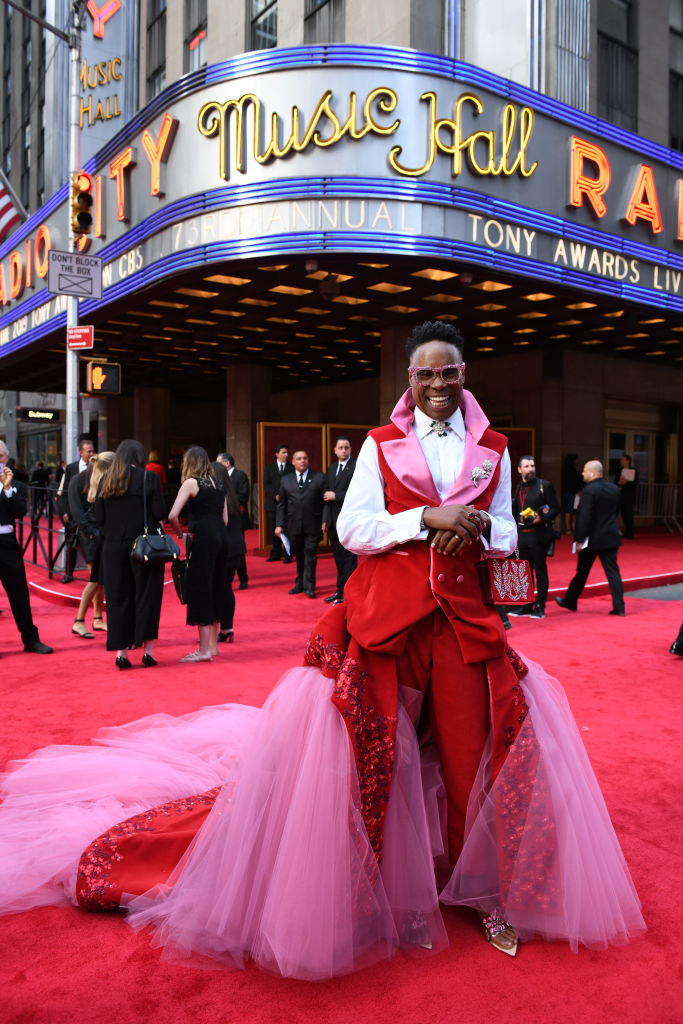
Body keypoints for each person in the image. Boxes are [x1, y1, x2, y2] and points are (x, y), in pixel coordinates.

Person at [0, 323, 645, 980]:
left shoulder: (496, 449)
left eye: (448, 372)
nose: (437, 385)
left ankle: (480, 892)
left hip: (464, 623)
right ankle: (395, 893)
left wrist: (478, 529)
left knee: (472, 758)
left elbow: (507, 527)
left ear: (462, 374)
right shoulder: (380, 444)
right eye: (424, 374)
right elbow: (353, 529)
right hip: (384, 622)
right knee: (374, 760)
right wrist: (425, 519)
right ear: (409, 381)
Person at [94, 439, 166, 669]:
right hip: (145, 546)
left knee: (117, 597)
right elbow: (159, 512)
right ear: (139, 457)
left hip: (113, 546)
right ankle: (148, 651)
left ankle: (121, 652)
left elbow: (99, 517)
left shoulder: (107, 479)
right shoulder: (149, 478)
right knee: (147, 596)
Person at [168, 447, 228, 663]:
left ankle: (203, 651)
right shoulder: (218, 483)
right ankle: (213, 647)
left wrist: (180, 534)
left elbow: (173, 514)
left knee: (201, 588)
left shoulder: (191, 483)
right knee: (216, 586)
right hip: (222, 536)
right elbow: (225, 519)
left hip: (202, 537)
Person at [0, 440, 52, 654]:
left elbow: (20, 512)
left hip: (7, 545)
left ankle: (30, 640)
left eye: (1, 456)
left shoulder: (17, 486)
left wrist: (8, 488)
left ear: (7, 458)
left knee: (19, 594)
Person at [555, 460, 626, 616]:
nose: (582, 473)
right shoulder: (614, 489)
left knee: (582, 572)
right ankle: (619, 607)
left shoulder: (589, 491)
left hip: (592, 540)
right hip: (610, 537)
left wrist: (579, 539)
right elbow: (616, 512)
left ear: (593, 473)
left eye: (585, 471)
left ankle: (570, 602)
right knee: (613, 573)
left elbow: (584, 517)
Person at [68, 451, 115, 638]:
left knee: (99, 580)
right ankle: (79, 621)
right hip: (89, 537)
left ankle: (96, 619)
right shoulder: (78, 481)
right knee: (95, 579)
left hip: (100, 535)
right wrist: (92, 533)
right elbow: (77, 513)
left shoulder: (102, 480)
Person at [510, 455, 560, 619]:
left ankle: (540, 606)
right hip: (522, 537)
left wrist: (542, 518)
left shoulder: (544, 485)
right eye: (527, 466)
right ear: (519, 470)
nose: (530, 469)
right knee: (524, 573)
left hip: (539, 537)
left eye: (532, 466)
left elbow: (555, 508)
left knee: (540, 572)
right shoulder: (519, 487)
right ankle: (526, 606)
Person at [275, 450, 325, 598]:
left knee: (310, 554)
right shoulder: (286, 480)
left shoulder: (319, 477)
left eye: (305, 458)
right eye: (299, 458)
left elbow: (324, 502)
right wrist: (279, 524)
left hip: (313, 524)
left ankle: (309, 586)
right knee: (299, 555)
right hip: (294, 525)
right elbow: (281, 505)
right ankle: (299, 583)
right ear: (293, 462)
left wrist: (325, 520)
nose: (302, 461)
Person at [212, 460, 246, 644]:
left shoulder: (216, 496)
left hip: (223, 547)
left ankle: (219, 630)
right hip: (236, 546)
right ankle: (227, 628)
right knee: (227, 588)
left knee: (220, 589)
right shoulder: (232, 495)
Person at [322, 435, 357, 604]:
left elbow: (359, 493)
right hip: (334, 521)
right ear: (334, 450)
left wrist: (337, 496)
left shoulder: (357, 467)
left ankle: (349, 593)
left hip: (350, 519)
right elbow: (326, 498)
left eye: (347, 447)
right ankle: (340, 590)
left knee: (349, 558)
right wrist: (325, 520)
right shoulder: (331, 468)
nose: (344, 450)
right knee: (338, 558)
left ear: (351, 449)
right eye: (340, 448)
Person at [57, 434, 96, 584]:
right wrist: (65, 511)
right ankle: (69, 573)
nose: (91, 454)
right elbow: (65, 490)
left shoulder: (96, 467)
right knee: (71, 544)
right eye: (89, 451)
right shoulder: (72, 467)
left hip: (90, 512)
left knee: (90, 545)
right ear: (81, 452)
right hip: (73, 513)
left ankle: (94, 575)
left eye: (93, 451)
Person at [217, 453, 249, 589]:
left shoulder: (240, 475)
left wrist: (226, 500)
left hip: (237, 517)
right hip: (222, 519)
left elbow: (244, 495)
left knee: (238, 549)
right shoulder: (217, 477)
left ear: (227, 463)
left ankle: (243, 578)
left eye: (219, 462)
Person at [262, 444, 294, 562]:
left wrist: (283, 495)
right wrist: (275, 494)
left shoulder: (291, 467)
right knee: (274, 529)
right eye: (283, 452)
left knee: (287, 529)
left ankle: (288, 554)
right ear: (277, 454)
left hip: (288, 504)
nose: (286, 455)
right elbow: (266, 484)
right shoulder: (269, 468)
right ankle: (276, 553)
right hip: (272, 503)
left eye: (287, 453)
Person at [614, 453, 638, 539]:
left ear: (628, 461)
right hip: (621, 494)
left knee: (629, 514)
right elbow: (615, 481)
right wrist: (619, 483)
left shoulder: (633, 470)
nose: (622, 461)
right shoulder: (619, 470)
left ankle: (630, 532)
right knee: (623, 513)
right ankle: (626, 531)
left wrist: (626, 483)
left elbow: (635, 483)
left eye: (623, 459)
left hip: (629, 494)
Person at [561, 453, 581, 535]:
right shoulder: (569, 470)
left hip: (572, 492)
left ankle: (572, 528)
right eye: (576, 459)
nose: (577, 461)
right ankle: (568, 528)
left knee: (573, 510)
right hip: (570, 492)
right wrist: (577, 490)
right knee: (569, 510)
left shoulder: (572, 469)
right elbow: (572, 482)